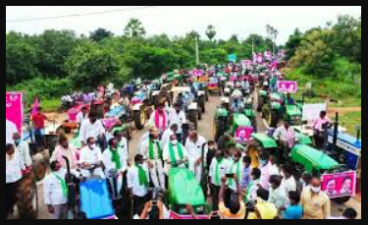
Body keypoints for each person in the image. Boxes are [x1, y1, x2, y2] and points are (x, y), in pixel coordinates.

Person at [6, 144, 24, 219]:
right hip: (7, 182)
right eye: (12, 149)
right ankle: (9, 210)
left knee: (15, 196)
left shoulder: (17, 155)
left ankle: (10, 209)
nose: (13, 150)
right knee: (8, 198)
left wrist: (23, 168)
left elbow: (21, 163)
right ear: (8, 150)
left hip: (17, 180)